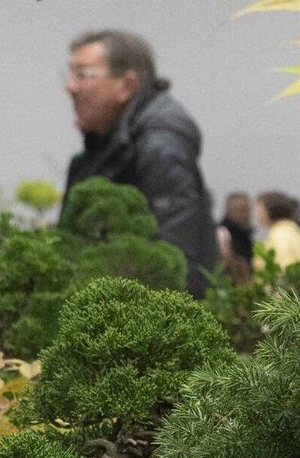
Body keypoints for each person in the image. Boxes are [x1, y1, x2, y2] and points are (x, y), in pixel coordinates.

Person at [62, 30, 216, 294]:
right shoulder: (99, 148)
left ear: (127, 85)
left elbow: (173, 258)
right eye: (70, 75)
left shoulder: (160, 149)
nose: (70, 87)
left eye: (83, 75)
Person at [254, 191, 300, 269]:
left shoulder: (281, 235)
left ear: (271, 210)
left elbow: (285, 270)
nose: (257, 214)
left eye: (260, 209)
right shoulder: (289, 230)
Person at [217, 191, 256, 280]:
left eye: (248, 210)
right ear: (229, 211)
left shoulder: (245, 234)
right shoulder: (222, 233)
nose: (247, 215)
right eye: (242, 210)